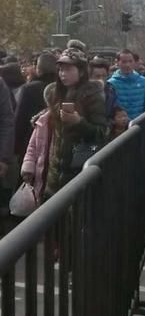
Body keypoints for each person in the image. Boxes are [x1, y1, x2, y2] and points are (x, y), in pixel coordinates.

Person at [43, 48, 107, 198]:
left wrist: (79, 122)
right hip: (55, 170)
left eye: (68, 69)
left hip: (79, 168)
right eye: (61, 69)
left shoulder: (93, 96)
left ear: (82, 71)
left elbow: (101, 133)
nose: (63, 74)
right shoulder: (55, 94)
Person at [14, 51, 58, 162]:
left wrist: (15, 148)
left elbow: (20, 119)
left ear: (38, 69)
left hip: (30, 145)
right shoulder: (61, 88)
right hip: (54, 144)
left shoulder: (28, 89)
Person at [21, 84, 56, 203]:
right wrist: (28, 168)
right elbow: (32, 147)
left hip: (54, 172)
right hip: (41, 173)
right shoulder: (42, 122)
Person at [107, 49, 145, 121]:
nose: (127, 65)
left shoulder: (144, 82)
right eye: (124, 62)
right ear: (117, 63)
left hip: (140, 125)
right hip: (120, 128)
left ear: (134, 62)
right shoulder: (111, 84)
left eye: (130, 61)